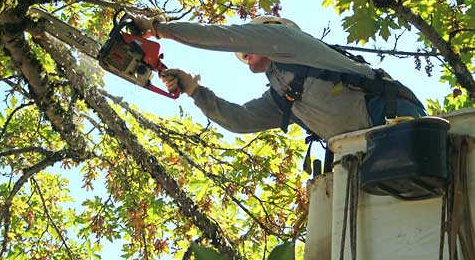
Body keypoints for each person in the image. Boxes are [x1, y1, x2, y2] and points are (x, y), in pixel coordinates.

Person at [134, 14, 426, 171]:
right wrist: (194, 90)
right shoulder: (282, 96)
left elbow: (225, 36)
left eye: (248, 42)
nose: (243, 52)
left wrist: (159, 29)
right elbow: (240, 120)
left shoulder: (289, 40)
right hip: (367, 149)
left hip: (393, 118)